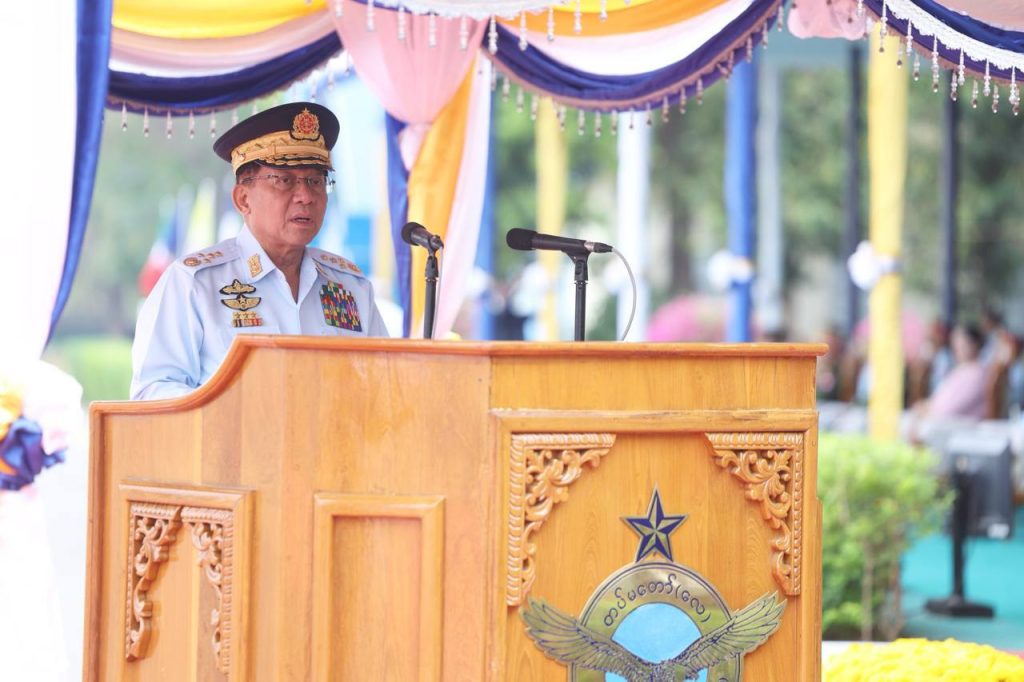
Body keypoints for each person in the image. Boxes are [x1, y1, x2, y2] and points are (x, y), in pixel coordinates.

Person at [131, 102, 388, 400]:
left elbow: (385, 385)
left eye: (315, 181)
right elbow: (152, 392)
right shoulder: (194, 284)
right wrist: (237, 409)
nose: (306, 196)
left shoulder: (351, 287)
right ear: (243, 200)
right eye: (284, 180)